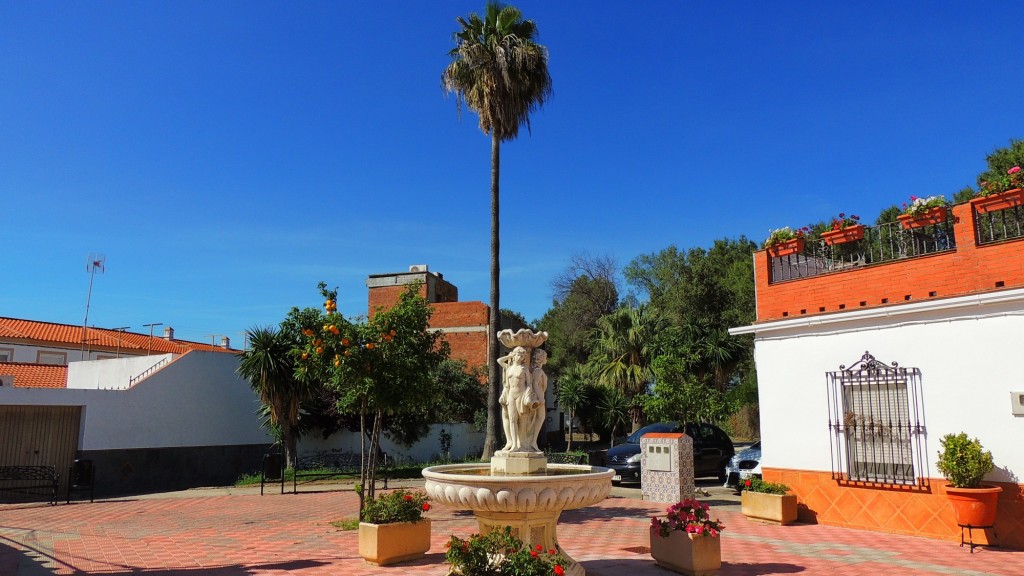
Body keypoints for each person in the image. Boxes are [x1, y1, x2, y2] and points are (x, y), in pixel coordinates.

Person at [497, 346, 531, 452]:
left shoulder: (524, 369)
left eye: (522, 356)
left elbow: (529, 384)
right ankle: (514, 444)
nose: (520, 358)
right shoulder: (509, 368)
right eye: (519, 355)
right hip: (511, 394)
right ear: (514, 355)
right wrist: (509, 356)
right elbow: (499, 360)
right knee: (512, 419)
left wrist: (528, 395)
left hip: (521, 394)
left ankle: (522, 443)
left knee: (522, 419)